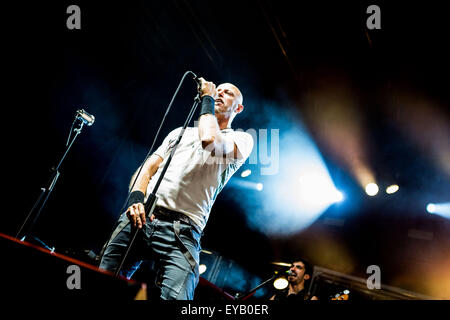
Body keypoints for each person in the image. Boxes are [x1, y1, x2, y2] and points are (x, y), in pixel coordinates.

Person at [98, 78, 254, 300]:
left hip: (183, 231)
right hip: (143, 217)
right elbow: (148, 168)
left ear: (238, 108)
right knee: (102, 281)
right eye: (217, 90)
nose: (219, 93)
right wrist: (135, 200)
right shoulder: (179, 132)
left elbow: (209, 139)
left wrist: (207, 97)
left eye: (227, 92)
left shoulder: (242, 139)